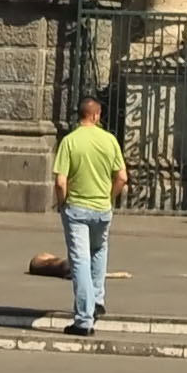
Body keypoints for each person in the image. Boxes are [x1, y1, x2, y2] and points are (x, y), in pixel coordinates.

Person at [53, 89, 130, 336]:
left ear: (81, 116)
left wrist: (62, 204)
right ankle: (97, 299)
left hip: (76, 209)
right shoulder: (109, 141)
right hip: (102, 210)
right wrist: (109, 198)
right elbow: (122, 177)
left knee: (80, 261)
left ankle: (84, 319)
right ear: (96, 116)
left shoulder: (70, 141)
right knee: (99, 251)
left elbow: (60, 182)